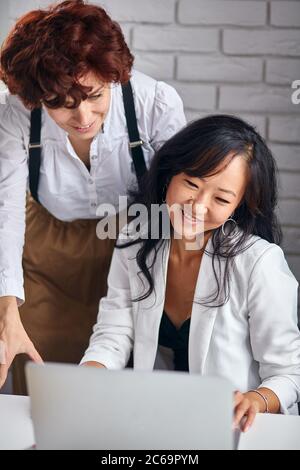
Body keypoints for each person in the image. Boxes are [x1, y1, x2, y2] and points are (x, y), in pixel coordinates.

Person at [0, 0, 186, 394]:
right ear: (36, 97)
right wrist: (6, 310)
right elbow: (7, 211)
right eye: (59, 104)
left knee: (122, 389)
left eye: (95, 96)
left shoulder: (155, 103)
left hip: (133, 254)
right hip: (47, 267)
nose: (82, 117)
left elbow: (180, 205)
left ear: (113, 76)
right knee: (45, 390)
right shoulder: (16, 115)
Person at [81, 115, 300, 432]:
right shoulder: (136, 239)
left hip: (231, 429)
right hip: (155, 420)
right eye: (192, 184)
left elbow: (289, 371)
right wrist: (90, 373)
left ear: (239, 206)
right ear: (170, 175)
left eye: (221, 199)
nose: (197, 206)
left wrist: (257, 399)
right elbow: (114, 334)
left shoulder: (259, 262)